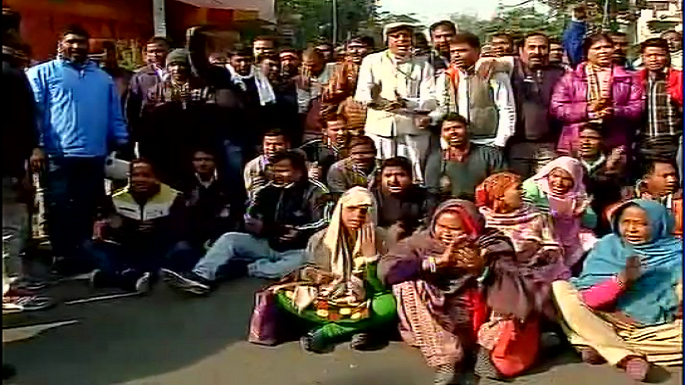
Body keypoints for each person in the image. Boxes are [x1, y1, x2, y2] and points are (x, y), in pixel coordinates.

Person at [27, 25, 128, 275]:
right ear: (60, 43)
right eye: (71, 41)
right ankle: (62, 257)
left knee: (87, 207)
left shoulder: (102, 78)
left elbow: (114, 113)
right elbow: (34, 114)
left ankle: (83, 253)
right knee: (59, 208)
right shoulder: (42, 73)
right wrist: (37, 146)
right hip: (58, 155)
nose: (77, 47)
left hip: (94, 154)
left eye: (82, 42)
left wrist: (122, 139)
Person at [378, 199, 512, 385]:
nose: (446, 233)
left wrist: (482, 268)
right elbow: (387, 272)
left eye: (456, 229)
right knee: (406, 284)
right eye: (441, 226)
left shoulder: (491, 242)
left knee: (512, 284)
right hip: (438, 319)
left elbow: (516, 271)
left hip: (478, 314)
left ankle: (484, 352)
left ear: (472, 225)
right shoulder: (418, 243)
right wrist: (436, 262)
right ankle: (446, 360)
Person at [163, 150, 331, 294]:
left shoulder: (316, 191)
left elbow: (326, 221)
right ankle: (200, 277)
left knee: (297, 266)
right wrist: (254, 225)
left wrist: (299, 231)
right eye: (274, 170)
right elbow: (250, 213)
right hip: (267, 242)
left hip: (300, 249)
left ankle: (245, 268)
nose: (277, 175)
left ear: (299, 171)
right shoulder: (265, 190)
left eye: (284, 170)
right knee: (230, 238)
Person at [251, 187, 396, 353]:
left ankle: (328, 332)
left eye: (364, 210)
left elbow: (381, 286)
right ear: (340, 209)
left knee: (388, 305)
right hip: (331, 295)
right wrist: (316, 275)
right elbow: (307, 273)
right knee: (282, 295)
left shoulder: (383, 238)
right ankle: (360, 328)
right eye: (351, 209)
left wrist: (370, 259)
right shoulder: (320, 239)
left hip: (366, 297)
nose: (357, 215)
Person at [552, 200, 682, 382]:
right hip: (601, 314)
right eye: (625, 222)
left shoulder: (677, 252)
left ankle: (592, 342)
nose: (631, 229)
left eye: (642, 224)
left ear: (660, 225)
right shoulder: (608, 246)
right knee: (560, 289)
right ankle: (626, 357)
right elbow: (589, 298)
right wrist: (622, 281)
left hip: (652, 327)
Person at [473, 172, 570, 380]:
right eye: (516, 189)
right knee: (509, 298)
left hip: (536, 270)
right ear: (499, 196)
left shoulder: (537, 215)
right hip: (495, 274)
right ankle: (486, 351)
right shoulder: (481, 218)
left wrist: (542, 257)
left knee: (532, 292)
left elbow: (553, 245)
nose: (522, 192)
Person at [355, 22, 438, 184]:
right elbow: (361, 94)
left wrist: (407, 104)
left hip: (412, 130)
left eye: (406, 36)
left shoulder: (423, 65)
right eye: (396, 36)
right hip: (379, 128)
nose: (402, 40)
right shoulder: (372, 61)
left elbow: (432, 100)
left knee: (414, 176)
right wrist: (376, 101)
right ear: (387, 40)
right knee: (381, 175)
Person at [89, 159, 187, 293]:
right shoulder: (115, 199)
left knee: (182, 249)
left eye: (146, 175)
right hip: (128, 246)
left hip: (160, 246)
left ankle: (121, 277)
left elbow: (181, 229)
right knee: (97, 247)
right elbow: (111, 228)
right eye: (135, 175)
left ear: (156, 177)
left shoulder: (173, 197)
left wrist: (157, 227)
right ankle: (131, 277)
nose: (140, 179)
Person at [551, 33, 643, 157]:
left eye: (607, 47)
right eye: (597, 48)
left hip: (615, 140)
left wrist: (615, 111)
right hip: (576, 140)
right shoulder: (570, 78)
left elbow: (638, 108)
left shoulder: (629, 78)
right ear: (587, 52)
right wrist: (588, 110)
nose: (603, 51)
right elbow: (557, 109)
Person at [139, 49, 219, 189]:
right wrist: (170, 104)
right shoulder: (157, 90)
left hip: (195, 143)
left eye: (182, 64)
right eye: (173, 65)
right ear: (168, 67)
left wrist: (191, 103)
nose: (177, 69)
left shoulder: (202, 87)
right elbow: (147, 117)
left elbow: (212, 116)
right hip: (166, 144)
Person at [437, 33, 516, 150]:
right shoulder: (448, 76)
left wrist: (500, 142)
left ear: (477, 51)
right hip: (459, 143)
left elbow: (506, 109)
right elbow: (443, 110)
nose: (457, 55)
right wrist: (445, 142)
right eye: (453, 52)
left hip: (489, 141)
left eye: (463, 50)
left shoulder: (494, 73)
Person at [522, 156, 597, 271]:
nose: (559, 182)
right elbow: (527, 216)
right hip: (538, 234)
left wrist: (582, 213)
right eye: (555, 176)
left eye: (566, 179)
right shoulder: (532, 188)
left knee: (591, 242)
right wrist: (558, 215)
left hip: (568, 237)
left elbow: (592, 223)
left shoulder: (578, 191)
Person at [508, 32, 565, 179]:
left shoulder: (560, 73)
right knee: (517, 189)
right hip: (517, 145)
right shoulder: (509, 70)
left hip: (548, 144)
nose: (537, 52)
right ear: (521, 50)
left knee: (547, 188)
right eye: (531, 47)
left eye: (542, 48)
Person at [181, 149, 245, 267]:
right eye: (198, 160)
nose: (202, 163)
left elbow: (236, 213)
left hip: (221, 234)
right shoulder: (184, 184)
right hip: (192, 236)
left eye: (207, 159)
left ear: (215, 162)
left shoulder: (229, 183)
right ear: (192, 163)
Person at [425, 114, 506, 202]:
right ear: (442, 134)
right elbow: (432, 193)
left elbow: (502, 185)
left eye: (457, 127)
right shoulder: (436, 159)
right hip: (450, 209)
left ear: (467, 129)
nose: (453, 132)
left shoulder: (490, 154)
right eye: (447, 129)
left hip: (485, 207)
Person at [606, 159, 682, 238]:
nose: (672, 180)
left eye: (674, 175)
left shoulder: (679, 202)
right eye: (665, 176)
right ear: (646, 179)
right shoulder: (626, 198)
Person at [635, 38, 683, 161]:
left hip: (673, 142)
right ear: (642, 57)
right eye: (649, 55)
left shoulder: (678, 78)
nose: (653, 59)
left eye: (659, 55)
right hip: (644, 141)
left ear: (667, 56)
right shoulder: (636, 80)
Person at [576, 124, 628, 235]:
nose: (586, 142)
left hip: (606, 219)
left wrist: (609, 168)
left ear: (603, 141)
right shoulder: (569, 162)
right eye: (582, 137)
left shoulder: (618, 163)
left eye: (592, 138)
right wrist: (606, 169)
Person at [371, 157, 434, 243]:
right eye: (388, 176)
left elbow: (429, 224)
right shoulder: (372, 197)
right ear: (381, 178)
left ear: (411, 177)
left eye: (401, 175)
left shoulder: (425, 197)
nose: (394, 180)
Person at [321, 36, 373, 137]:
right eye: (351, 48)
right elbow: (329, 96)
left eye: (359, 47)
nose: (355, 51)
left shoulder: (380, 66)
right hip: (347, 114)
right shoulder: (339, 68)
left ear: (370, 49)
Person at [126, 36, 170, 150]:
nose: (155, 55)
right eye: (151, 52)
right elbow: (132, 107)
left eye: (159, 51)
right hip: (150, 132)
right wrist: (135, 133)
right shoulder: (140, 76)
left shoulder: (178, 72)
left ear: (168, 51)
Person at [227, 46, 277, 147]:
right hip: (232, 135)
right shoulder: (224, 77)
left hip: (258, 134)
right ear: (230, 60)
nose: (243, 64)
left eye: (247, 60)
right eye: (239, 61)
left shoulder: (260, 78)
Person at [296, 47, 333, 145]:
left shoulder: (335, 70)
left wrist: (320, 87)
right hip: (310, 126)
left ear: (323, 61)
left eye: (314, 65)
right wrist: (304, 89)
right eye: (307, 65)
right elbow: (302, 107)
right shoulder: (300, 78)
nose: (310, 69)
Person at [244, 129, 291, 200]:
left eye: (278, 144)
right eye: (268, 144)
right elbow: (255, 195)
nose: (272, 148)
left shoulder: (298, 161)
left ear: (288, 145)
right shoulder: (253, 166)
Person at [300, 113, 348, 182]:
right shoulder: (312, 147)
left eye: (344, 129)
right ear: (324, 131)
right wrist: (307, 169)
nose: (341, 133)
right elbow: (293, 159)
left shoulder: (355, 145)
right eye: (335, 130)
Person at [562, 4, 588, 68]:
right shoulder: (573, 28)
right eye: (578, 11)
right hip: (576, 62)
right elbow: (573, 47)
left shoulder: (583, 26)